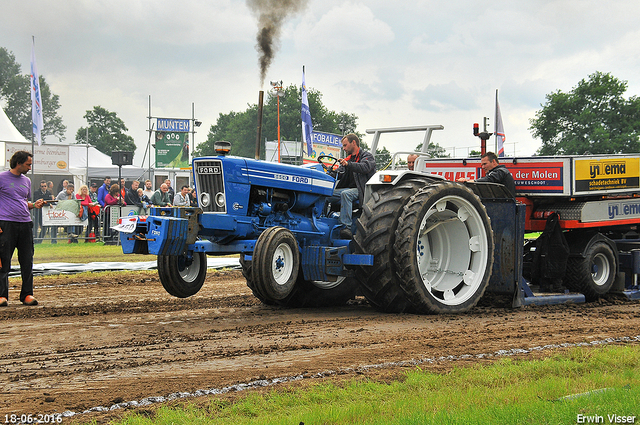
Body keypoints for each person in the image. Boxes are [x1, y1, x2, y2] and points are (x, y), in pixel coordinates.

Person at [0, 151, 45, 306]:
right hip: (6, 225)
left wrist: (34, 205)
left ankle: (27, 294)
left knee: (27, 261)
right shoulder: (1, 178)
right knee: (3, 261)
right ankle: (2, 296)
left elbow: (22, 202)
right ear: (18, 163)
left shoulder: (26, 181)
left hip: (25, 224)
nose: (30, 167)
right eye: (28, 164)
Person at [330, 133, 376, 239]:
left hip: (362, 190)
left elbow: (365, 167)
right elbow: (338, 173)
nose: (344, 148)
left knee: (346, 194)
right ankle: (325, 219)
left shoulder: (367, 156)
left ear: (353, 143)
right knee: (326, 194)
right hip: (349, 190)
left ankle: (345, 227)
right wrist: (327, 173)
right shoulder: (347, 160)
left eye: (345, 145)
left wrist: (348, 165)